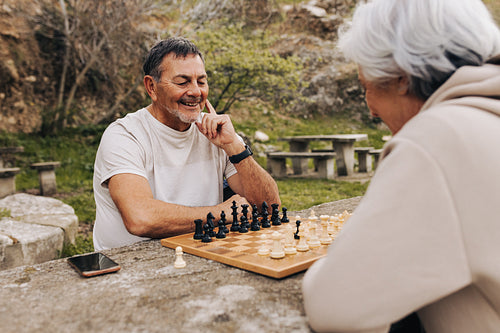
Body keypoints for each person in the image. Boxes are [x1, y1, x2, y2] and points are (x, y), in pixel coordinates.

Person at [302, 0, 500, 332]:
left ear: (400, 77)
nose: (372, 112)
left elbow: (336, 306)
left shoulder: (437, 137)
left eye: (367, 87)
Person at [93, 37, 280, 250]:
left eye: (201, 81)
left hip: (201, 253)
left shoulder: (215, 131)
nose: (195, 92)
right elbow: (140, 218)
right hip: (128, 266)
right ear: (151, 87)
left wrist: (235, 148)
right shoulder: (124, 135)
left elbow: (270, 209)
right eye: (182, 82)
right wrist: (221, 213)